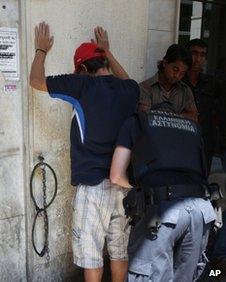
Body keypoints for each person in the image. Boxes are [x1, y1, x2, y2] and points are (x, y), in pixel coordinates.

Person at [30, 22, 140, 282]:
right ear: (104, 64)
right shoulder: (129, 90)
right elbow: (129, 81)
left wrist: (41, 50)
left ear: (81, 69)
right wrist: (109, 52)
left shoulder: (81, 85)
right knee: (119, 253)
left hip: (92, 187)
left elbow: (35, 81)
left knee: (91, 258)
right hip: (124, 186)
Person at [110, 103, 216, 281]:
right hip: (201, 211)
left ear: (150, 112)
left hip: (162, 210)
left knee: (148, 274)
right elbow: (202, 171)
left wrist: (142, 187)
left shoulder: (137, 122)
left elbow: (115, 175)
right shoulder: (193, 128)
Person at [183, 38, 224, 173]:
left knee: (202, 180)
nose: (198, 59)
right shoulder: (177, 81)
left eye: (202, 55)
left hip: (206, 141)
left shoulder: (212, 83)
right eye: (194, 53)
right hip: (182, 139)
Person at [139, 44, 198, 121]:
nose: (177, 76)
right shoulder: (145, 88)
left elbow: (194, 117)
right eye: (175, 69)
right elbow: (145, 118)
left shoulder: (185, 91)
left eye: (182, 73)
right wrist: (180, 116)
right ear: (165, 63)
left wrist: (165, 116)